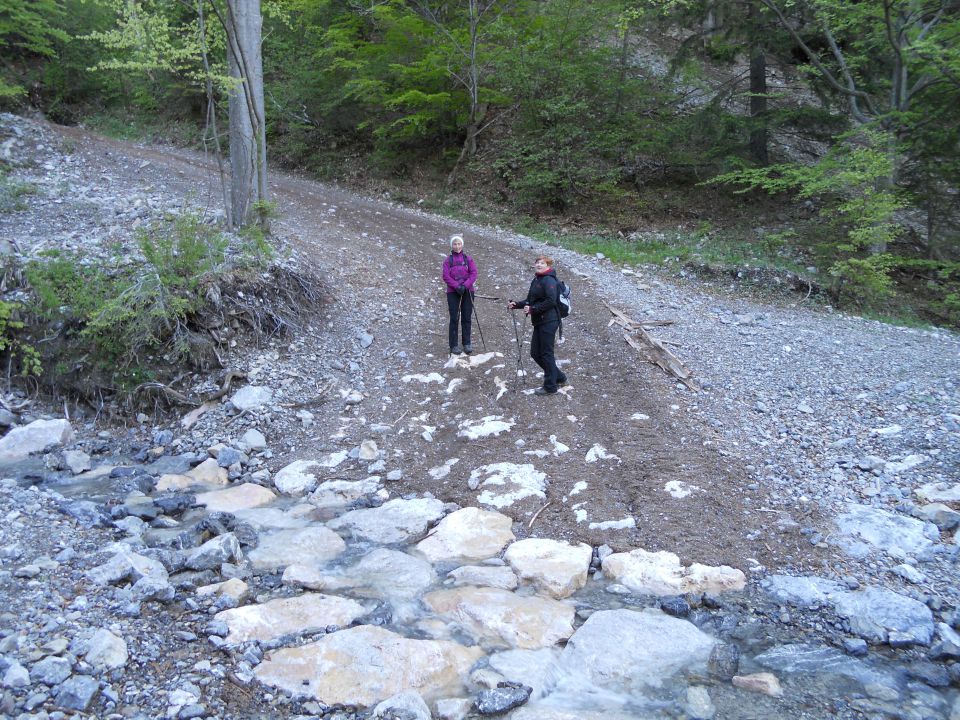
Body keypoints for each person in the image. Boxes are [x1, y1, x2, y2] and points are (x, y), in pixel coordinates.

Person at [508, 254, 568, 395]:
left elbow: (551, 301)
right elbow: (530, 300)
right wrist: (516, 304)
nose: (539, 265)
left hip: (550, 320)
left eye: (543, 263)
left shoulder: (549, 280)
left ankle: (550, 387)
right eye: (538, 262)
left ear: (548, 266)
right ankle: (559, 376)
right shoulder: (536, 279)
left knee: (546, 354)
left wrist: (533, 309)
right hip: (540, 320)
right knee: (535, 353)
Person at [442, 234, 478, 354]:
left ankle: (466, 343)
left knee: (466, 317)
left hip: (468, 291)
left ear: (462, 245)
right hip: (453, 292)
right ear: (451, 245)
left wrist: (465, 285)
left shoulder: (468, 259)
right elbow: (445, 276)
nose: (457, 246)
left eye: (459, 244)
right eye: (454, 244)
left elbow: (474, 274)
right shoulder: (448, 260)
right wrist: (457, 286)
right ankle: (453, 345)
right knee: (454, 318)